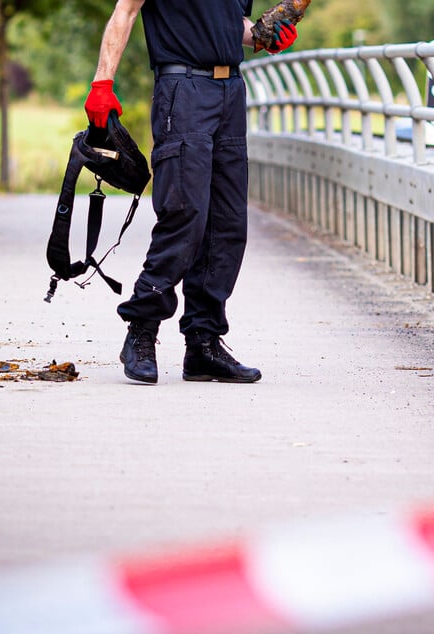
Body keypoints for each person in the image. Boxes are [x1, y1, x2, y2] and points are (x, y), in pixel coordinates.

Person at [84, 0, 297, 385]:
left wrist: (264, 34)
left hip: (231, 90)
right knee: (185, 211)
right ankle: (142, 327)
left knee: (227, 223)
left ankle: (203, 344)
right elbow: (125, 12)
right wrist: (103, 82)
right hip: (183, 90)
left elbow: (232, 25)